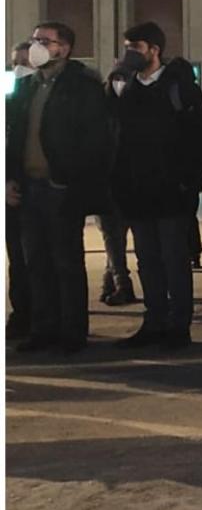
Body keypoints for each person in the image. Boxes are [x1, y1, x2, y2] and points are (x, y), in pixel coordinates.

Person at [109, 21, 202, 350]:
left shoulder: (178, 86)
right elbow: (114, 130)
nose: (130, 54)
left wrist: (185, 178)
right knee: (147, 260)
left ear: (154, 50)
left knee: (174, 259)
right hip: (137, 190)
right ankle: (153, 320)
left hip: (173, 190)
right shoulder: (126, 87)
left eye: (136, 47)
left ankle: (179, 325)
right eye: (127, 48)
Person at [5, 21, 112, 354]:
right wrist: (9, 178)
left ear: (63, 48)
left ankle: (72, 332)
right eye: (34, 39)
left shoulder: (81, 87)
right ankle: (43, 328)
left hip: (61, 187)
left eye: (44, 40)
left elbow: (94, 140)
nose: (36, 45)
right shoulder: (27, 86)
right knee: (35, 263)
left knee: (66, 262)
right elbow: (14, 136)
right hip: (29, 187)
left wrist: (71, 180)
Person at [96, 59, 139, 308]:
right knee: (112, 236)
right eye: (116, 79)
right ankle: (115, 282)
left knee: (115, 237)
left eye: (124, 79)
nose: (120, 84)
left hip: (130, 182)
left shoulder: (136, 108)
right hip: (106, 181)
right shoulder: (100, 109)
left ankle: (118, 283)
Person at [5, 43, 33, 340]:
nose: (20, 68)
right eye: (16, 63)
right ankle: (22, 313)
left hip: (41, 190)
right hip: (12, 193)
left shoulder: (49, 101)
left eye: (26, 62)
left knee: (42, 259)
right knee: (18, 258)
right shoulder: (9, 104)